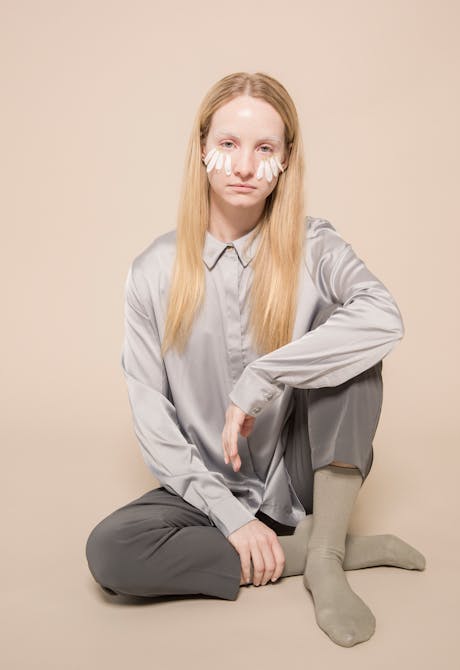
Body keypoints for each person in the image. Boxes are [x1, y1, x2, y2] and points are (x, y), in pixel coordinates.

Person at [85, 71, 426, 648]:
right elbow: (151, 417)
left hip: (298, 476)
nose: (245, 167)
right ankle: (323, 548)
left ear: (286, 161)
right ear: (201, 150)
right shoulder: (151, 271)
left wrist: (262, 377)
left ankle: (324, 554)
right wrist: (230, 514)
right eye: (229, 145)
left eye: (264, 148)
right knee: (111, 551)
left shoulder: (317, 247)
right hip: (202, 489)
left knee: (355, 349)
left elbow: (383, 317)